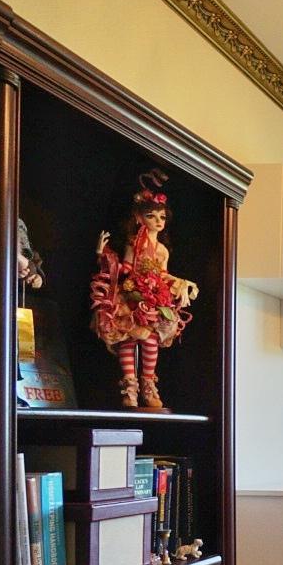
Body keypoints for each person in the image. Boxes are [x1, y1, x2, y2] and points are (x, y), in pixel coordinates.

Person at [90, 169, 198, 409]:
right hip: (131, 294)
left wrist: (180, 283)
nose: (159, 222)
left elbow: (162, 272)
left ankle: (148, 385)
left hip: (153, 297)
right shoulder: (133, 243)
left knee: (150, 340)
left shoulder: (162, 250)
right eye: (152, 216)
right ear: (140, 218)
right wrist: (103, 256)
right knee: (127, 339)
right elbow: (126, 267)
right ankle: (130, 388)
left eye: (162, 217)